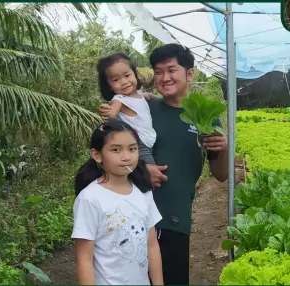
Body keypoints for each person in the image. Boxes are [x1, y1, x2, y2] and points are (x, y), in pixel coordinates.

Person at [98, 43, 229, 285]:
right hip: (134, 216)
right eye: (158, 72)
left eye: (171, 70)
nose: (164, 77)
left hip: (177, 216)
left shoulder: (205, 116)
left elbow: (220, 175)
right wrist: (139, 168)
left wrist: (223, 147)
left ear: (189, 74)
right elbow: (106, 152)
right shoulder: (143, 108)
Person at [71, 120, 164, 285]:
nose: (127, 157)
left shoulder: (143, 192)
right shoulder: (90, 199)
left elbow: (152, 246)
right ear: (97, 155)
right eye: (116, 150)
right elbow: (84, 259)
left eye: (132, 149)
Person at [96, 52, 157, 165]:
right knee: (149, 173)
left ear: (135, 74)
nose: (123, 82)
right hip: (137, 143)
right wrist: (107, 111)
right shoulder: (119, 99)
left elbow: (148, 96)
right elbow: (112, 114)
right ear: (109, 86)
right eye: (115, 80)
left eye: (127, 76)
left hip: (148, 141)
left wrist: (160, 99)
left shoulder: (139, 95)